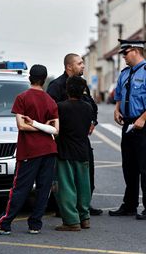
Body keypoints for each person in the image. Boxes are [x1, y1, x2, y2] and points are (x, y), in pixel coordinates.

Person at [0, 64, 59, 235]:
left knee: (20, 188)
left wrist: (33, 124)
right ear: (45, 79)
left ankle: (5, 224)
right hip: (49, 150)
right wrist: (43, 127)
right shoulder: (51, 101)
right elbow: (56, 130)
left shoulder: (22, 98)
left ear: (30, 78)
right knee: (43, 188)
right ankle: (35, 224)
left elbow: (21, 126)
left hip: (30, 150)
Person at [109, 39, 146, 220]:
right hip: (128, 124)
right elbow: (119, 94)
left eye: (125, 53)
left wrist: (142, 118)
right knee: (129, 167)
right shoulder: (125, 73)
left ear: (134, 51)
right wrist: (117, 109)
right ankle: (130, 205)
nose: (123, 57)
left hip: (145, 125)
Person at [47, 53, 102, 216]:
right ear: (69, 67)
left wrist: (93, 122)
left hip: (81, 138)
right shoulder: (56, 85)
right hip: (63, 139)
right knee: (64, 178)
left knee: (86, 175)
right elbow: (51, 111)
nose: (83, 66)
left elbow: (92, 105)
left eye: (83, 63)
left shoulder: (82, 85)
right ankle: (61, 207)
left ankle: (84, 206)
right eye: (79, 63)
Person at [54, 76, 93, 231]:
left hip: (65, 151)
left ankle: (71, 221)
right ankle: (85, 218)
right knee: (84, 186)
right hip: (83, 151)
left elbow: (56, 129)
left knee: (67, 187)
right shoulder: (88, 107)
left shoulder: (60, 107)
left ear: (67, 89)